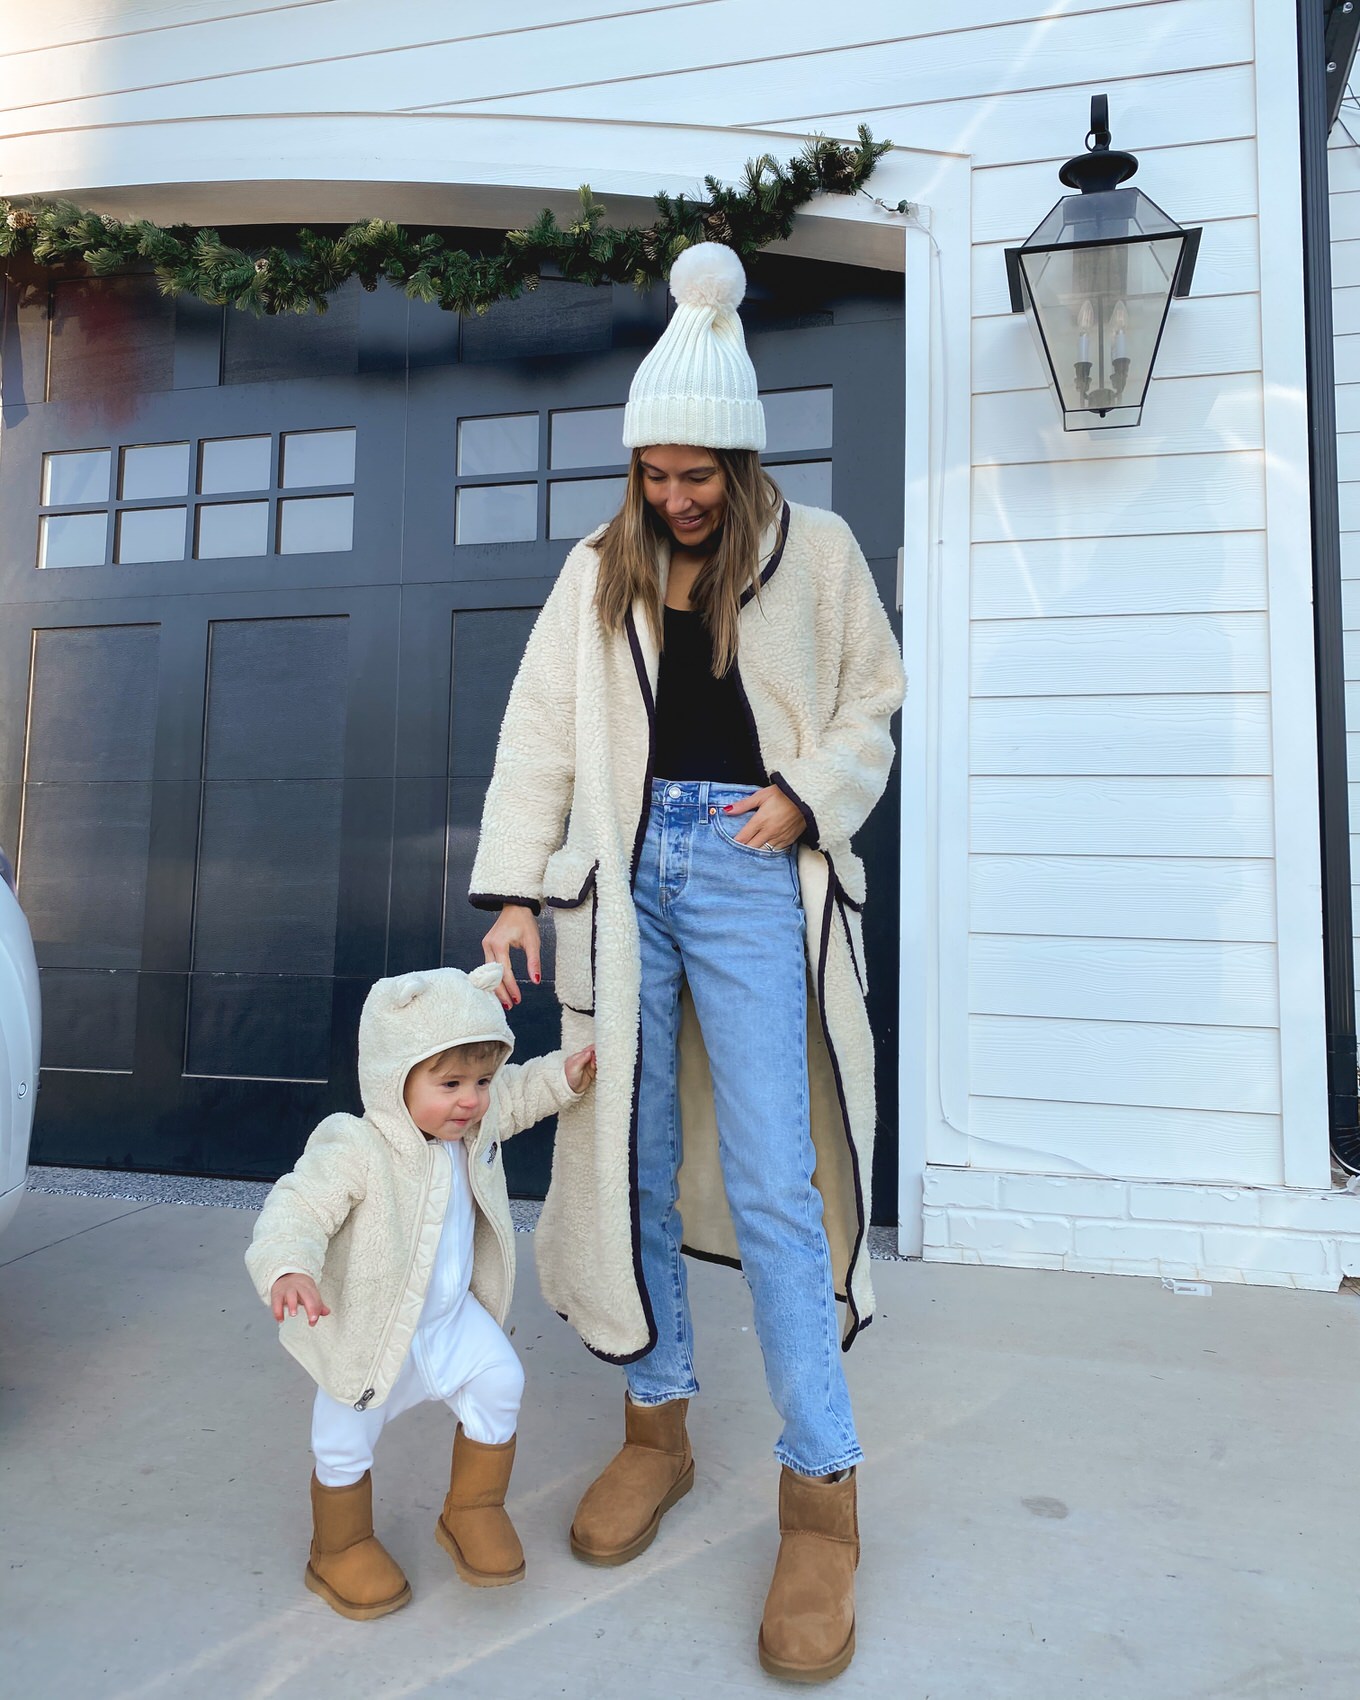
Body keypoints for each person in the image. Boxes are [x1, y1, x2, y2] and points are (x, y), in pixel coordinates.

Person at [471, 242, 905, 1683]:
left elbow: (877, 704)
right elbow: (542, 730)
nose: (676, 496)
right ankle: (656, 1424)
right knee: (628, 1157)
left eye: (696, 472)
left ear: (738, 453)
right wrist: (519, 893)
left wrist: (808, 791)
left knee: (780, 1179)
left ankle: (822, 1495)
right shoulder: (601, 568)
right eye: (655, 474)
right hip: (618, 876)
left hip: (747, 869)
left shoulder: (820, 554)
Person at [245, 963, 596, 1620]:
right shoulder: (357, 1144)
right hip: (375, 1333)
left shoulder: (474, 1127)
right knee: (344, 1438)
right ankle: (339, 1545)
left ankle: (473, 1508)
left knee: (500, 1382)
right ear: (393, 1079)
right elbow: (299, 1206)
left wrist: (566, 1076)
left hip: (450, 1320)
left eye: (480, 1082)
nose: (471, 1100)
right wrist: (288, 1266)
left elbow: (518, 1096)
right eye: (450, 1084)